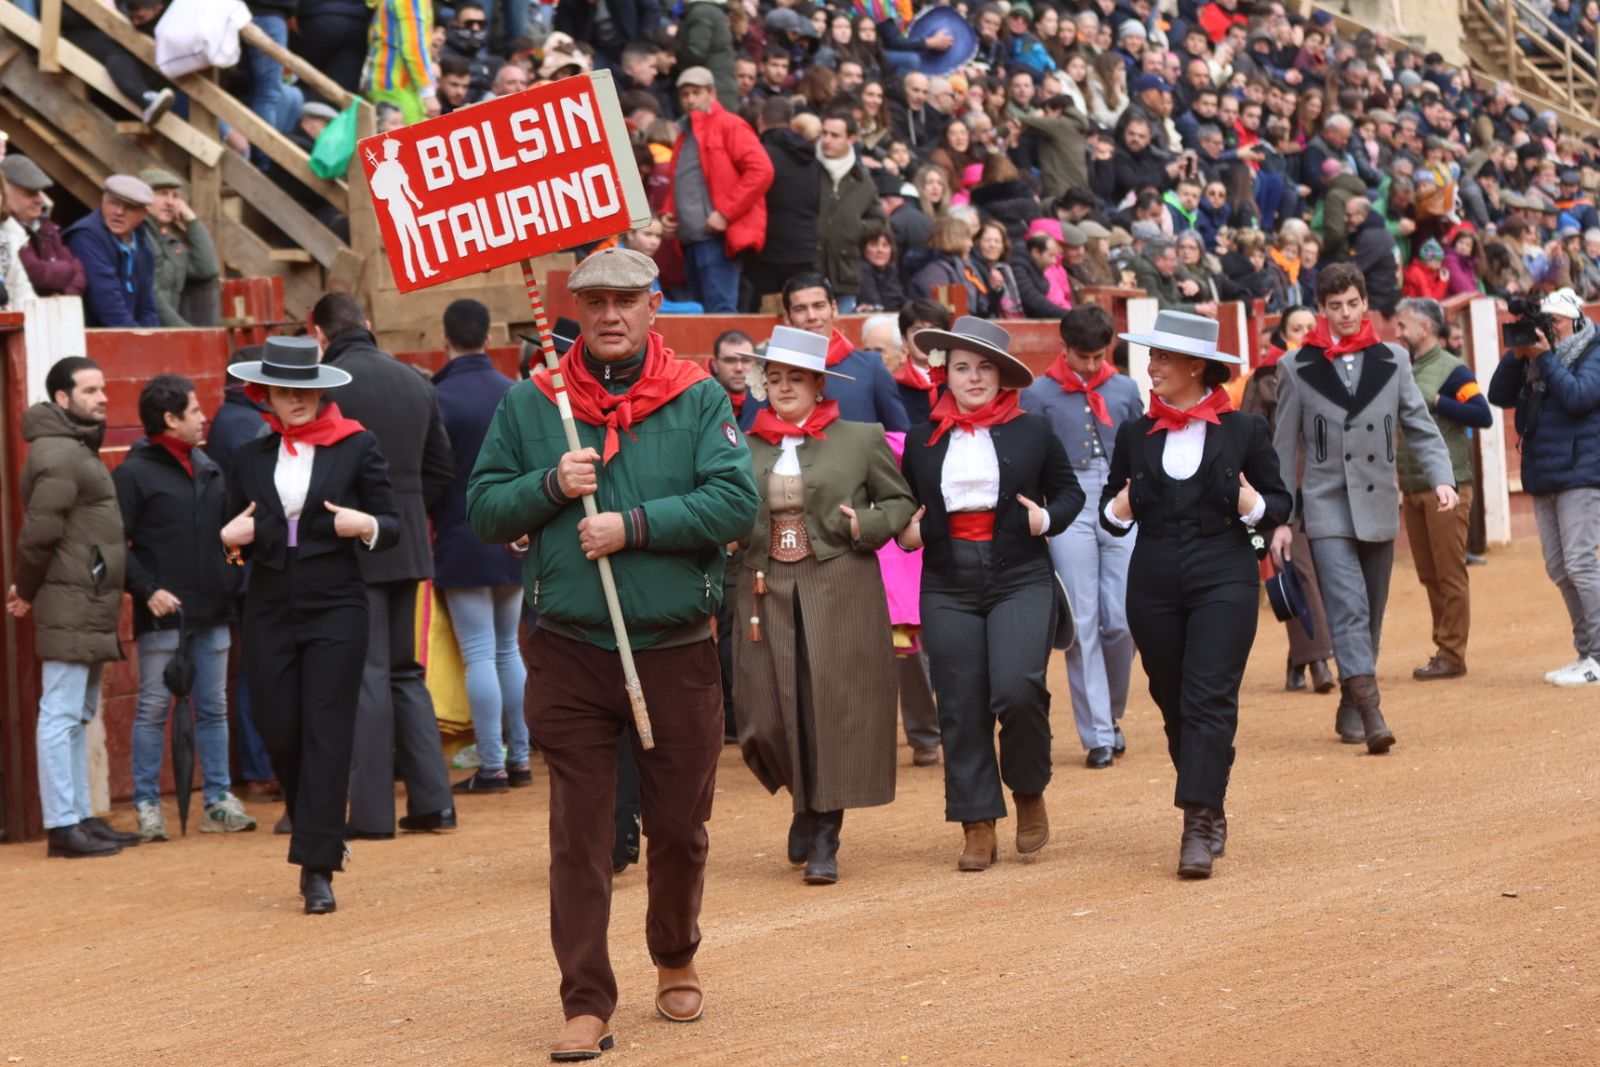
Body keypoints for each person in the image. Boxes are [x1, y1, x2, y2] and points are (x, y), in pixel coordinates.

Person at [466, 248, 757, 1060]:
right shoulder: (533, 402)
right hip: (568, 648)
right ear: (577, 308)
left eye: (625, 300)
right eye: (593, 300)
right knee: (580, 832)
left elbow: (738, 503)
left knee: (676, 823)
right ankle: (585, 999)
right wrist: (551, 487)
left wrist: (632, 525)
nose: (608, 315)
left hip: (674, 649)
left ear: (653, 305)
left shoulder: (698, 397)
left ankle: (676, 950)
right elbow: (484, 508)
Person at [1102, 310, 1293, 878]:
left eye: (1161, 357)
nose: (1151, 366)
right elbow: (1110, 517)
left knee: (1209, 695)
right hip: (1153, 574)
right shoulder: (1135, 433)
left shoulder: (1244, 430)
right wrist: (1121, 509)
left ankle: (1198, 819)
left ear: (1196, 365)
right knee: (1171, 697)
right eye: (1151, 355)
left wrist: (1251, 506)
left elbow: (1280, 505)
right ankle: (1210, 802)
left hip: (1224, 572)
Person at [897, 317, 1084, 872]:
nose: (973, 377)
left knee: (1018, 687)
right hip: (947, 580)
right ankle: (976, 821)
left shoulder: (1034, 430)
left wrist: (1047, 519)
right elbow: (905, 507)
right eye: (961, 368)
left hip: (1021, 575)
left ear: (1002, 375)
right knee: (958, 699)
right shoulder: (921, 439)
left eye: (984, 368)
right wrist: (909, 531)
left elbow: (1070, 492)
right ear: (945, 375)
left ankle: (1028, 791)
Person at [732, 325, 916, 885]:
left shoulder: (860, 437)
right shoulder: (742, 444)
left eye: (796, 379)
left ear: (819, 385)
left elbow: (900, 501)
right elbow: (721, 503)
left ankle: (825, 833)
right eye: (775, 378)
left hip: (840, 581)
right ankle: (801, 798)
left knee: (832, 706)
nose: (783, 387)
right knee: (765, 708)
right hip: (763, 585)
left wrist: (870, 525)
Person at [221, 338, 399, 914]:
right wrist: (229, 544)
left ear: (319, 390)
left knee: (326, 728)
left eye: (302, 389)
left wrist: (363, 522)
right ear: (266, 394)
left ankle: (317, 865)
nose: (294, 400)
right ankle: (319, 832)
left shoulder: (357, 445)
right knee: (280, 729)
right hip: (269, 605)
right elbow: (227, 536)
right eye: (282, 390)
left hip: (337, 605)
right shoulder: (249, 456)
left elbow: (393, 523)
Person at [1269, 264, 1459, 751]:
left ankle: (1350, 703)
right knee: (1348, 608)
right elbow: (1283, 446)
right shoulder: (1295, 365)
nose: (1347, 314)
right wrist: (1283, 519)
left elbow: (1419, 425)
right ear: (1322, 310)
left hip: (1377, 501)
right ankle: (1373, 711)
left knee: (1372, 611)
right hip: (1326, 503)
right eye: (1336, 307)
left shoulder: (1394, 359)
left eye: (1353, 304)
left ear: (1364, 302)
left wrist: (1442, 477)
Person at [312, 293, 457, 839]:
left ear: (320, 333)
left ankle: (371, 813)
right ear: (367, 325)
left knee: (368, 673)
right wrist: (407, 513)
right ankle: (434, 802)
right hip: (410, 544)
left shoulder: (329, 382)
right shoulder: (416, 380)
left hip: (353, 545)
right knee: (405, 672)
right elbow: (441, 468)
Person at [8, 358, 141, 859]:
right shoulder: (62, 454)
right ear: (62, 398)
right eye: (90, 390)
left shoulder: (73, 448)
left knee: (78, 711)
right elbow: (39, 531)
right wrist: (26, 586)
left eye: (105, 387)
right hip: (70, 595)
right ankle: (63, 825)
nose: (103, 396)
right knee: (61, 712)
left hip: (84, 595)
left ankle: (80, 816)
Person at [113, 374, 254, 842]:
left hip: (213, 608)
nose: (202, 417)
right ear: (171, 419)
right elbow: (116, 543)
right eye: (194, 410)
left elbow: (231, 537)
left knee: (213, 707)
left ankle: (217, 800)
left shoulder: (208, 467)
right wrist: (147, 589)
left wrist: (233, 571)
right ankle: (148, 806)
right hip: (165, 613)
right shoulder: (133, 474)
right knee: (154, 707)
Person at [1021, 306, 1142, 769]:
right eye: (1082, 356)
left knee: (1123, 619)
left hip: (1120, 499)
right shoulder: (1038, 394)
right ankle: (1098, 734)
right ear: (1063, 347)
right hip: (1067, 501)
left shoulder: (1125, 388)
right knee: (1084, 619)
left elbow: (1141, 446)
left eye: (1098, 356)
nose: (1091, 366)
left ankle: (1110, 714)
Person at [429, 300, 532, 793]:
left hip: (461, 534)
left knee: (479, 654)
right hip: (512, 534)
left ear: (444, 338)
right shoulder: (512, 392)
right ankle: (522, 757)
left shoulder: (439, 397)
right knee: (508, 648)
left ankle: (492, 764)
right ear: (490, 337)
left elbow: (435, 475)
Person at [1488, 288, 1600, 687]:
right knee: (1558, 566)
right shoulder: (1535, 358)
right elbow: (1497, 396)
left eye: (1555, 320)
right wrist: (1517, 355)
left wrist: (1545, 358)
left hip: (1582, 473)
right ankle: (1587, 652)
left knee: (1581, 564)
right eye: (1545, 320)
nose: (1550, 327)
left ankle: (1599, 655)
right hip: (1543, 473)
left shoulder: (1593, 350)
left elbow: (1580, 397)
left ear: (1576, 320)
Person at [1393, 298, 1494, 681]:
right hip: (1414, 484)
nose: (1398, 332)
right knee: (1429, 573)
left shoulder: (1453, 370)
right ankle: (1444, 647)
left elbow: (1481, 413)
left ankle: (1452, 652)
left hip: (1448, 485)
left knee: (1449, 572)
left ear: (1425, 329)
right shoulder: (1407, 367)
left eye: (1404, 326)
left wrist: (1437, 400)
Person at [1239, 307, 1337, 695]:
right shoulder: (1265, 377)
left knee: (1317, 572)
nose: (1305, 333)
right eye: (1297, 328)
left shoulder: (1331, 370)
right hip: (1281, 490)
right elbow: (1249, 435)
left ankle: (1299, 659)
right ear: (1283, 334)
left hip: (1326, 486)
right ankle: (1319, 661)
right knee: (1299, 571)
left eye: (1310, 327)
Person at [671, 66, 775, 313]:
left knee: (720, 314)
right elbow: (684, 178)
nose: (690, 100)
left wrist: (726, 213)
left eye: (696, 92)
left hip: (716, 240)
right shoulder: (685, 132)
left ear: (712, 94)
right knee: (700, 315)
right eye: (685, 94)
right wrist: (669, 215)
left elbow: (762, 170)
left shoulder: (729, 124)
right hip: (690, 240)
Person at [781, 273, 910, 430]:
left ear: (834, 309)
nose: (811, 316)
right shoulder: (773, 371)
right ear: (787, 318)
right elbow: (753, 443)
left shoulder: (870, 367)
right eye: (800, 309)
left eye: (818, 306)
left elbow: (899, 436)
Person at [62, 175, 159, 328]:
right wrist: (137, 340)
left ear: (143, 214)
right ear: (102, 201)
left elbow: (147, 305)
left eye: (129, 206)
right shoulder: (86, 236)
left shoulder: (143, 244)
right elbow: (106, 300)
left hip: (127, 338)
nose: (119, 212)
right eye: (113, 203)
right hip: (94, 340)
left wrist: (152, 339)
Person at [815, 110, 886, 315]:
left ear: (851, 139)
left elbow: (879, 220)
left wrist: (855, 228)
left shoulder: (862, 179)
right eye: (824, 133)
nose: (827, 140)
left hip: (845, 275)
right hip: (809, 271)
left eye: (835, 135)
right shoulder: (809, 170)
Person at [137, 169, 220, 328]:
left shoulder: (168, 241)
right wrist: (185, 332)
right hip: (146, 331)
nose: (170, 202)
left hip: (166, 333)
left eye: (175, 196)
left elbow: (206, 268)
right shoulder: (138, 236)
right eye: (162, 193)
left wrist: (192, 221)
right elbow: (151, 295)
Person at [0, 156, 86, 299]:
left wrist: (62, 297)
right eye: (30, 193)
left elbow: (80, 274)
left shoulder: (47, 227)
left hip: (42, 315)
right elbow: (35, 272)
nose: (39, 200)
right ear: (7, 192)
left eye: (39, 192)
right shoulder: (9, 232)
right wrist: (66, 269)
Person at [367, 0, 439, 124]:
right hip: (398, 87)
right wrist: (428, 93)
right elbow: (413, 47)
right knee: (411, 141)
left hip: (388, 84)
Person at [893, 299, 951, 426]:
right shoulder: (892, 387)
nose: (925, 337)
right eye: (917, 331)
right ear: (904, 339)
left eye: (933, 330)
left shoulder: (959, 380)